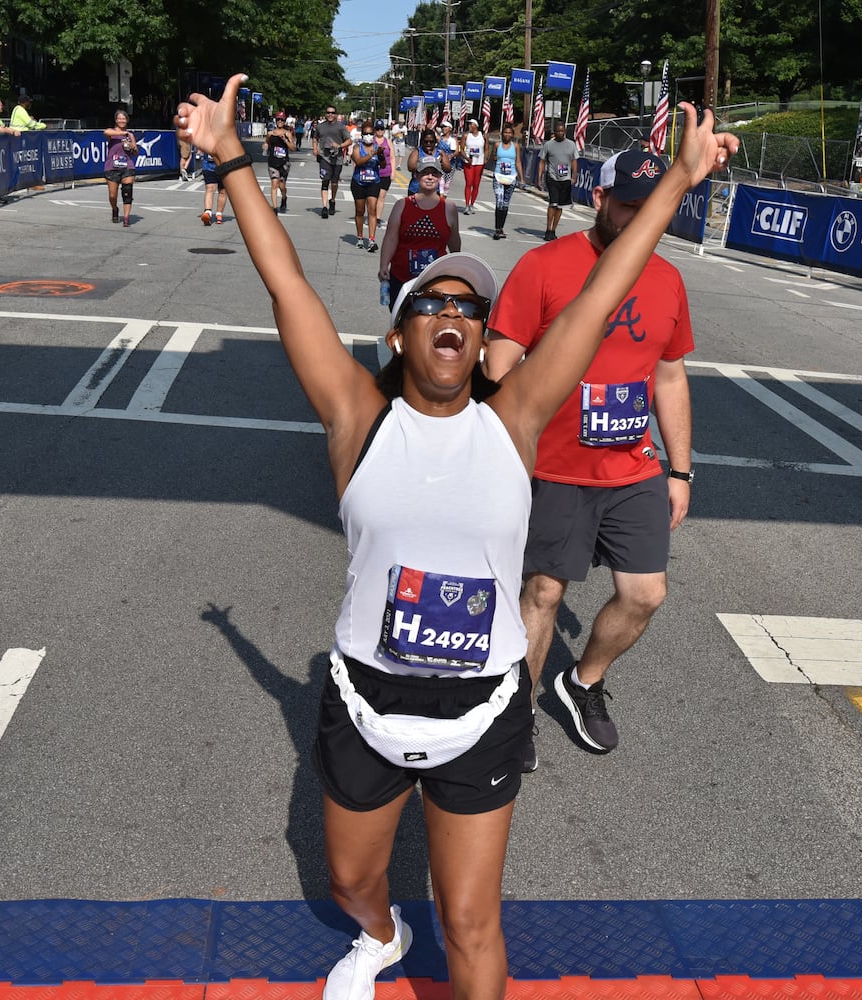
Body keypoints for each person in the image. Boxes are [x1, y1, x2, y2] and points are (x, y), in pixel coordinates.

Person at [173, 71, 734, 1000]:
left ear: (482, 343)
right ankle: (381, 937)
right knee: (352, 883)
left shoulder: (514, 423)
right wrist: (232, 157)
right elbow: (286, 281)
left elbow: (603, 294)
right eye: (433, 304)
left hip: (482, 704)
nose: (454, 315)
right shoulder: (356, 418)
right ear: (399, 337)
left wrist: (677, 181)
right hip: (366, 696)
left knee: (474, 923)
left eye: (471, 310)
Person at [484, 148, 709, 771]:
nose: (641, 217)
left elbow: (669, 376)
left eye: (650, 206)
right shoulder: (545, 266)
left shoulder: (667, 280)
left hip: (633, 467)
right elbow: (499, 366)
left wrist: (681, 469)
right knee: (545, 592)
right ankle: (517, 713)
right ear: (598, 200)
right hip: (554, 468)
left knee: (646, 593)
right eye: (629, 205)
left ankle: (581, 683)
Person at [378, 157, 461, 308]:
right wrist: (384, 265)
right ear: (416, 176)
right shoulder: (402, 205)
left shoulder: (449, 208)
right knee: (401, 324)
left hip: (434, 281)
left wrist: (457, 269)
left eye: (434, 173)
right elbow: (391, 238)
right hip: (402, 277)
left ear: (440, 177)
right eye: (425, 173)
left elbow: (454, 242)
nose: (430, 177)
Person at [538, 121, 578, 241]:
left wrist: (574, 175)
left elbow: (574, 161)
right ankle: (548, 229)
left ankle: (553, 231)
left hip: (565, 179)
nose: (561, 133)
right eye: (558, 131)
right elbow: (542, 161)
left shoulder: (571, 145)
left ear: (565, 132)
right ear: (554, 132)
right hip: (552, 177)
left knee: (560, 206)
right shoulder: (548, 145)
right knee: (553, 203)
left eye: (562, 131)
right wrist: (539, 177)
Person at [348, 122, 384, 250]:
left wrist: (380, 155)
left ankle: (372, 240)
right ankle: (359, 238)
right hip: (359, 182)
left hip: (373, 182)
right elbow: (358, 161)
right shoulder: (357, 147)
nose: (368, 136)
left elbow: (383, 165)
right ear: (362, 135)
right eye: (366, 133)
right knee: (359, 210)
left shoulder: (377, 147)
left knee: (372, 209)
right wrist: (372, 154)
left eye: (370, 133)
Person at [315, 105, 352, 219]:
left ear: (336, 114)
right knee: (325, 180)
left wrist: (339, 145)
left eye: (332, 113)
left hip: (337, 158)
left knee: (334, 182)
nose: (330, 114)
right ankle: (325, 207)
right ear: (325, 114)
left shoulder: (341, 127)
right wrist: (315, 148)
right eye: (328, 112)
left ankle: (333, 200)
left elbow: (349, 140)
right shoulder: (320, 127)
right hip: (324, 157)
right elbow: (315, 138)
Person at [103, 109, 138, 228]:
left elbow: (136, 153)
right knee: (113, 195)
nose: (121, 120)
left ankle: (127, 217)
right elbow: (106, 132)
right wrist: (122, 134)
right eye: (119, 118)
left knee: (127, 192)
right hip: (112, 166)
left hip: (127, 166)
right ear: (116, 120)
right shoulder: (112, 133)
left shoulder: (131, 135)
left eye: (124, 118)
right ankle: (115, 208)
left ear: (127, 120)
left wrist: (133, 147)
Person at [490, 124, 524, 240]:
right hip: (499, 176)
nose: (507, 135)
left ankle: (501, 228)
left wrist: (522, 178)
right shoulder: (497, 144)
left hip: (511, 177)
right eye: (505, 132)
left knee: (505, 204)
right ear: (502, 134)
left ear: (513, 135)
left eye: (509, 133)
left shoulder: (515, 146)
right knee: (499, 202)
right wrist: (494, 157)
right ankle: (497, 229)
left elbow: (518, 162)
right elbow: (492, 156)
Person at [407, 129, 451, 195]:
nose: (428, 144)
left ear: (435, 142)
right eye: (426, 141)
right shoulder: (417, 152)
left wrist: (439, 162)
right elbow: (410, 167)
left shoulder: (440, 153)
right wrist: (425, 162)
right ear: (422, 141)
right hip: (416, 189)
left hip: (434, 190)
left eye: (431, 141)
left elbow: (448, 169)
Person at [265, 117, 294, 214]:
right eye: (278, 120)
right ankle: (274, 208)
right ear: (276, 121)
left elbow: (292, 148)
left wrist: (285, 140)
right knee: (274, 184)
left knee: (282, 186)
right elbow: (267, 143)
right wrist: (265, 146)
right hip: (273, 162)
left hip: (284, 163)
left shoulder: (287, 133)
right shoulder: (270, 133)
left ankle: (284, 197)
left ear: (284, 122)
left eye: (282, 120)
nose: (280, 122)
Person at [459, 119, 486, 215]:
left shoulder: (483, 136)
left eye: (471, 124)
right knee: (469, 183)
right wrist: (466, 157)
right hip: (468, 162)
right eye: (469, 124)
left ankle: (472, 204)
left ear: (476, 125)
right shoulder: (466, 135)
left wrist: (485, 158)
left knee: (476, 184)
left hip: (479, 162)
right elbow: (461, 149)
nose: (469, 125)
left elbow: (486, 148)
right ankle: (466, 205)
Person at [371, 121, 394, 238]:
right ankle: (372, 215)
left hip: (386, 173)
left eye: (382, 129)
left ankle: (377, 217)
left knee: (381, 196)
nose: (380, 131)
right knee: (372, 196)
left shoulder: (388, 141)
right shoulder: (371, 141)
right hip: (373, 173)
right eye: (378, 128)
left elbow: (392, 157)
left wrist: (393, 173)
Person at [199, 149, 226, 226]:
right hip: (209, 166)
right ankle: (208, 213)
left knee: (222, 191)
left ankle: (218, 214)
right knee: (210, 188)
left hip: (224, 166)